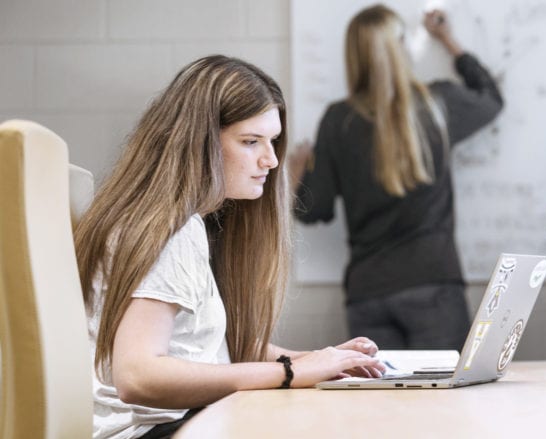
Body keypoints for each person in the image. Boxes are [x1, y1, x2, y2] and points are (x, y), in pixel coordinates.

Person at [75, 55, 385, 439]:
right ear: (198, 141)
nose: (271, 160)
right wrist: (290, 373)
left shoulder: (170, 220)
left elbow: (206, 348)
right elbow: (137, 375)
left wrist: (317, 359)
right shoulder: (172, 229)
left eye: (272, 142)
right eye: (251, 142)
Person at [288, 5, 503, 350]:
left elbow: (314, 210)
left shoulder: (337, 120)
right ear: (400, 46)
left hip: (367, 294)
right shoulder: (437, 105)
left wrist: (297, 173)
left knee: (382, 404)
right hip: (433, 283)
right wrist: (448, 40)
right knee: (445, 402)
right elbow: (491, 99)